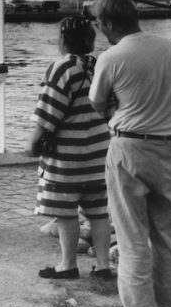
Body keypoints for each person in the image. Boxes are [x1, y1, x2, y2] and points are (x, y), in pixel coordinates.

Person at [88, 0, 171, 307]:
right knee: (168, 238)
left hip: (129, 148)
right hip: (169, 148)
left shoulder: (112, 57)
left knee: (131, 239)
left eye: (99, 25)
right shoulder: (168, 47)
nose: (99, 31)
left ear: (110, 23)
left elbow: (97, 104)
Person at [24, 16, 112, 282]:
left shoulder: (61, 69)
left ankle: (68, 264)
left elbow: (47, 114)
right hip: (99, 154)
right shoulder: (98, 66)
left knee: (65, 213)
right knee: (98, 212)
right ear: (90, 40)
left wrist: (32, 144)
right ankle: (103, 265)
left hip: (67, 160)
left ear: (62, 39)